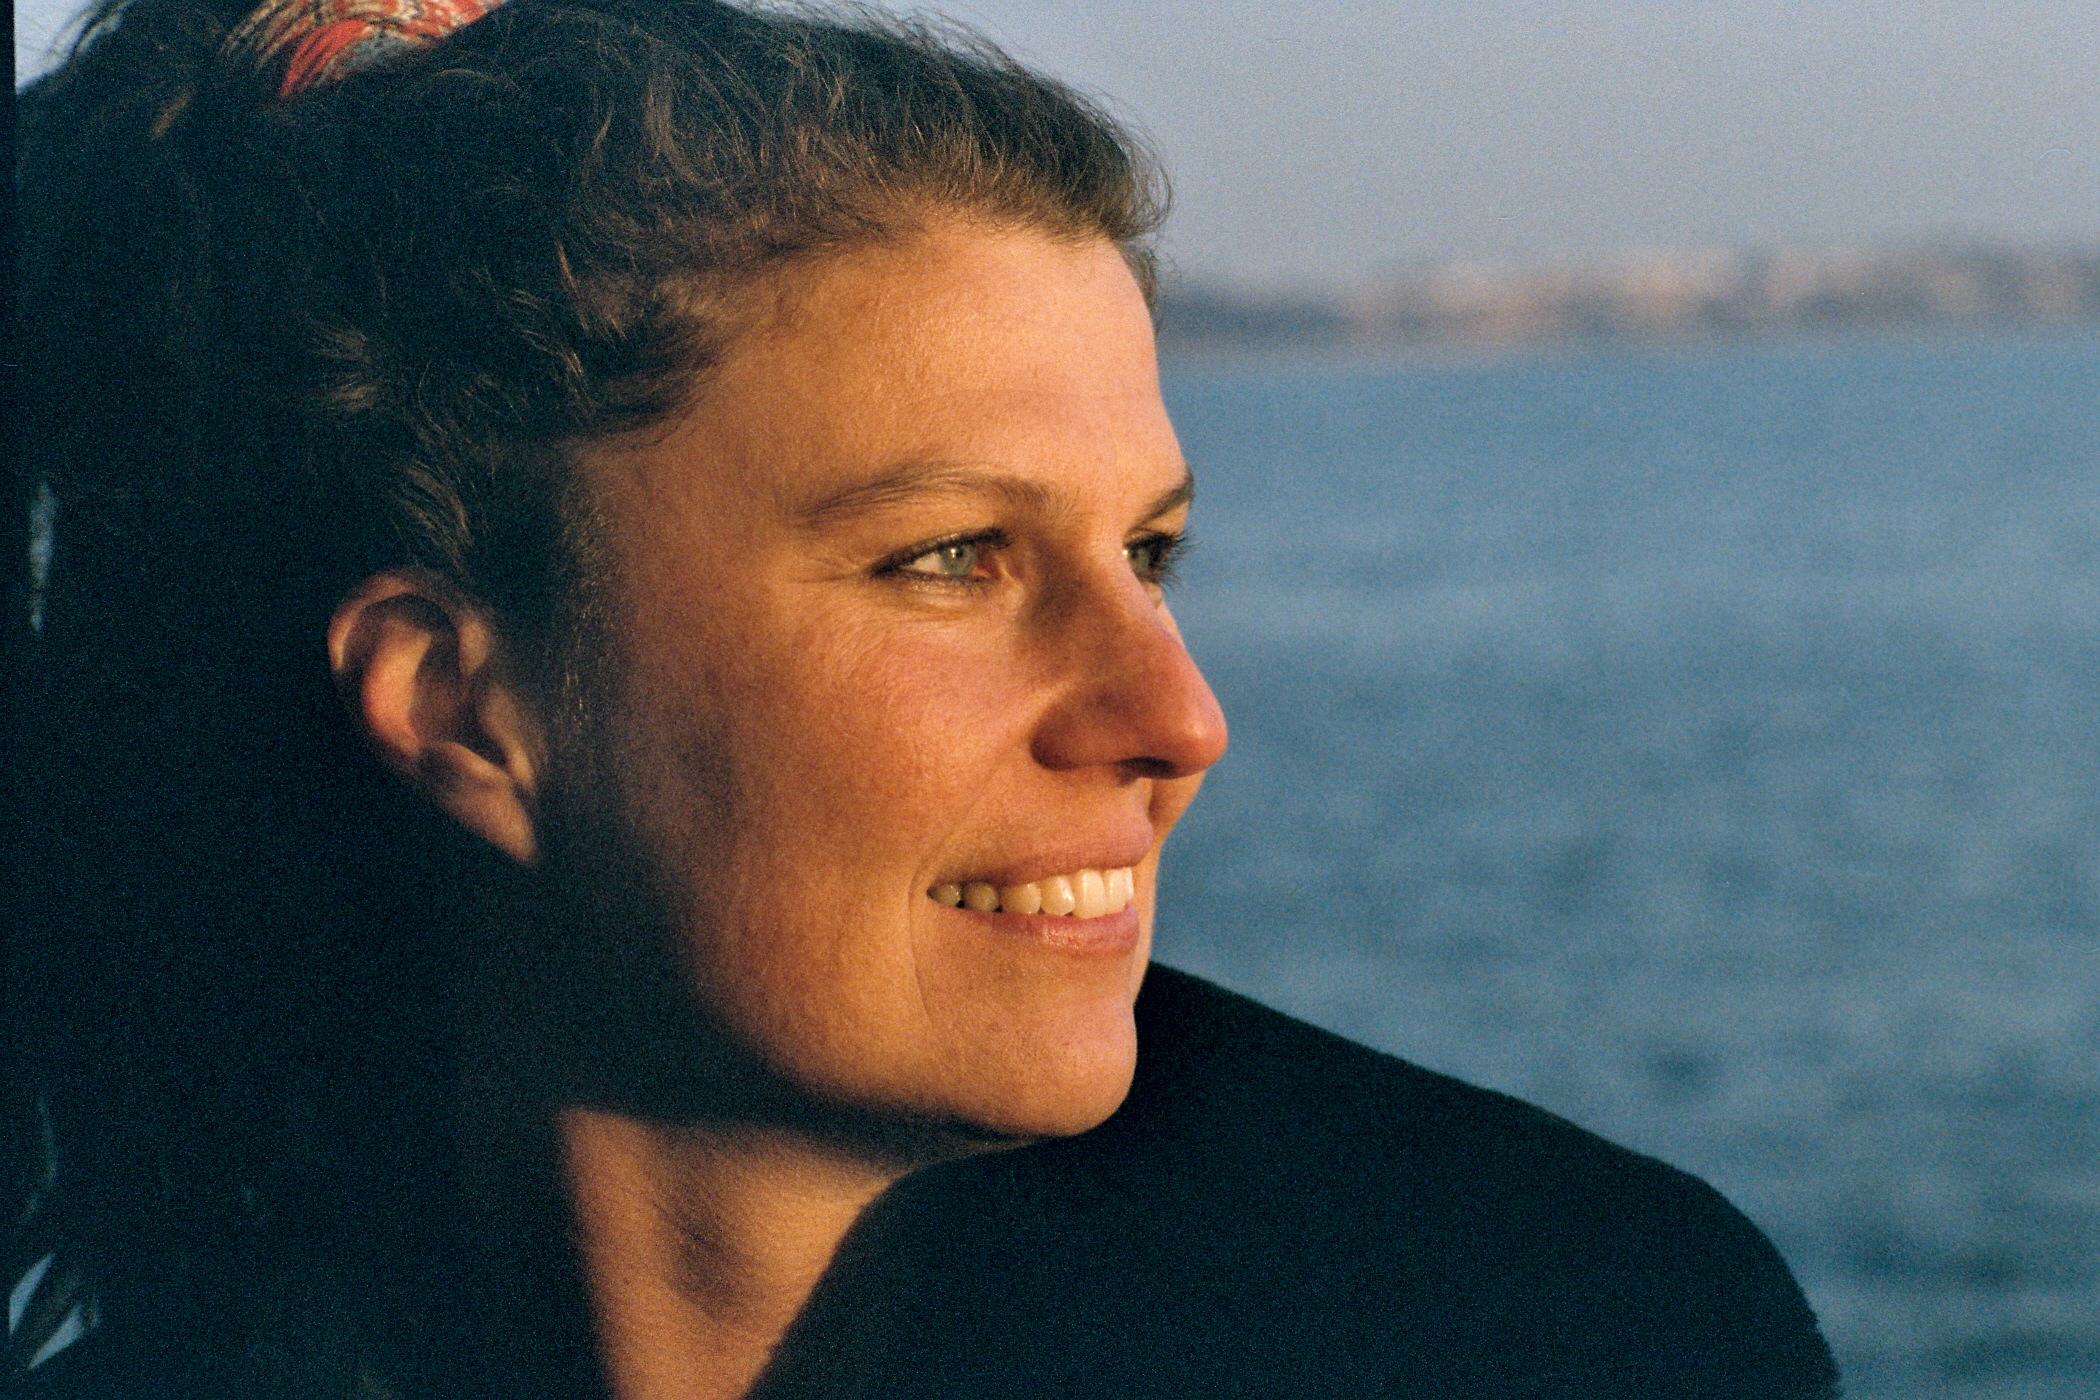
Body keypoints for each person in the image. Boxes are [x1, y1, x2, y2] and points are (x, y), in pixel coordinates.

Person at [8, 0, 1843, 1395]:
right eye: (954, 558)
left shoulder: (1548, 1330)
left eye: (1153, 553)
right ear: (463, 709)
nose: (1177, 720)